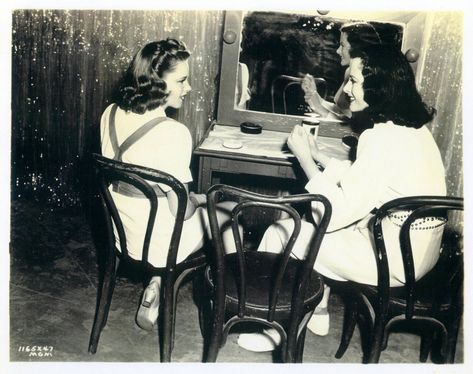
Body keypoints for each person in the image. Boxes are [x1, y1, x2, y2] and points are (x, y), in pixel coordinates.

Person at [237, 44, 447, 352]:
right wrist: (320, 154)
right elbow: (372, 176)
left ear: (380, 85)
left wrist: (306, 160)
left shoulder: (379, 136)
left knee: (281, 231)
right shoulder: (412, 129)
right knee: (325, 227)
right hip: (420, 255)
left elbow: (331, 216)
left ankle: (273, 327)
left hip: (392, 263)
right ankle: (317, 311)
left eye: (354, 81)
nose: (347, 90)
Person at [100, 39, 235, 331]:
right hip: (159, 243)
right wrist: (200, 199)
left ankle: (158, 282)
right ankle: (225, 309)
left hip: (122, 233)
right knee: (229, 210)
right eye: (182, 81)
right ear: (156, 82)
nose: (188, 88)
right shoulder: (173, 133)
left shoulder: (109, 114)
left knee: (185, 206)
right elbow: (182, 212)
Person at [301, 22, 382, 120]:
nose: (337, 51)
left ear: (357, 48)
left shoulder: (369, 78)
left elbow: (353, 126)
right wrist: (314, 95)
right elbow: (341, 111)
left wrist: (319, 108)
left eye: (342, 45)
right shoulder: (349, 72)